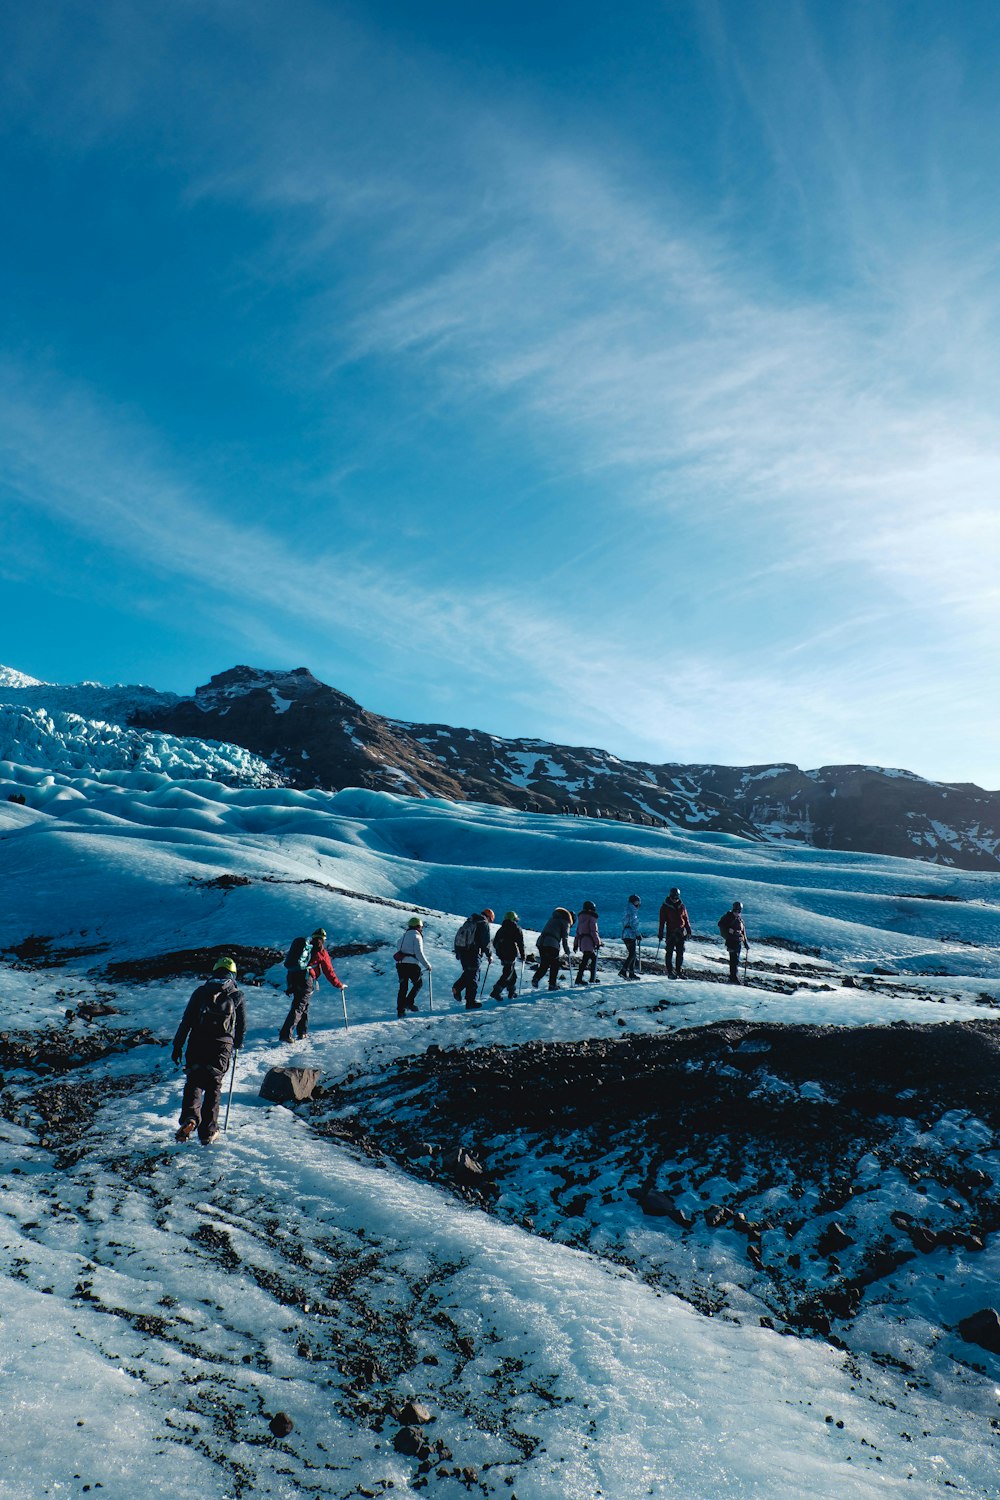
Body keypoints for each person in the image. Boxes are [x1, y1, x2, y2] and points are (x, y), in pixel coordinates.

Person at [172, 956, 246, 1144]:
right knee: (214, 1085)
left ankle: (190, 1118)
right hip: (222, 1045)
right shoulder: (236, 994)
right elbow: (241, 1025)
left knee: (194, 1080)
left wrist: (178, 1045)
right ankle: (208, 1132)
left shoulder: (201, 992)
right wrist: (237, 1044)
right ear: (233, 974)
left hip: (197, 1041)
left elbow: (186, 1020)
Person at [279, 926, 344, 1042]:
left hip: (294, 977)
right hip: (306, 979)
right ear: (323, 939)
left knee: (302, 1005)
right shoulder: (321, 952)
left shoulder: (305, 948)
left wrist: (290, 985)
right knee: (299, 1006)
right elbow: (329, 971)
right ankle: (286, 1034)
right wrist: (339, 984)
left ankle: (302, 1032)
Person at [452, 909, 494, 1010]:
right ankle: (470, 1002)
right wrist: (489, 955)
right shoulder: (483, 924)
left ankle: (457, 988)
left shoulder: (471, 921)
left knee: (468, 973)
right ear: (489, 917)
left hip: (463, 952)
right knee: (474, 976)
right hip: (473, 953)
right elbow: (485, 942)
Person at [394, 916, 431, 1017]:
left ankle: (400, 1010)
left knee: (403, 988)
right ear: (418, 926)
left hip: (400, 965)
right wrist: (427, 965)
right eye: (421, 927)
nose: (421, 929)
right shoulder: (417, 937)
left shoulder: (401, 938)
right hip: (411, 965)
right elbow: (419, 953)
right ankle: (409, 1002)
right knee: (418, 984)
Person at [532, 907, 573, 991]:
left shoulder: (552, 919)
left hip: (541, 942)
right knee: (555, 964)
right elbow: (565, 938)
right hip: (551, 943)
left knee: (545, 963)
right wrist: (567, 951)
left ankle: (536, 978)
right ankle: (552, 984)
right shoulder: (565, 922)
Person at [658, 888, 693, 977]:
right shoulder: (665, 907)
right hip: (671, 932)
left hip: (681, 932)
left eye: (676, 897)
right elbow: (662, 921)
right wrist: (661, 933)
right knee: (669, 952)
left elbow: (686, 919)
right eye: (673, 897)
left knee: (680, 952)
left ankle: (678, 970)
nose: (675, 899)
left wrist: (688, 930)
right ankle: (670, 971)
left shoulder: (682, 906)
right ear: (670, 896)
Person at [491, 911, 526, 1000]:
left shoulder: (501, 929)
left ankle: (511, 992)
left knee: (512, 973)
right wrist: (523, 955)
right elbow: (520, 943)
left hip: (502, 954)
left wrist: (499, 951)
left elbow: (495, 942)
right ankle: (496, 991)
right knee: (508, 973)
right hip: (511, 953)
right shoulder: (516, 928)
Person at [718, 901, 749, 983]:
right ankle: (733, 977)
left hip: (738, 942)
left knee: (735, 960)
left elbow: (743, 932)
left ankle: (734, 977)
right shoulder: (728, 917)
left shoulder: (740, 920)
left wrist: (745, 943)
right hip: (731, 941)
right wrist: (729, 930)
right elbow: (720, 924)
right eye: (736, 910)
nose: (737, 912)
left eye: (739, 911)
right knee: (734, 960)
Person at [573, 900, 601, 984]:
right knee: (590, 959)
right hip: (589, 941)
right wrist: (598, 942)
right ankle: (587, 978)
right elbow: (593, 931)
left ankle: (584, 978)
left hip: (582, 941)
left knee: (587, 959)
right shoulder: (591, 918)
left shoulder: (581, 919)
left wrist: (576, 944)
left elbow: (577, 933)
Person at [619, 894, 643, 979]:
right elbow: (634, 923)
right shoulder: (632, 911)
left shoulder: (627, 909)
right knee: (632, 954)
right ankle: (623, 970)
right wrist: (638, 934)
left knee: (632, 954)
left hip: (625, 933)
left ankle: (631, 973)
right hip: (630, 933)